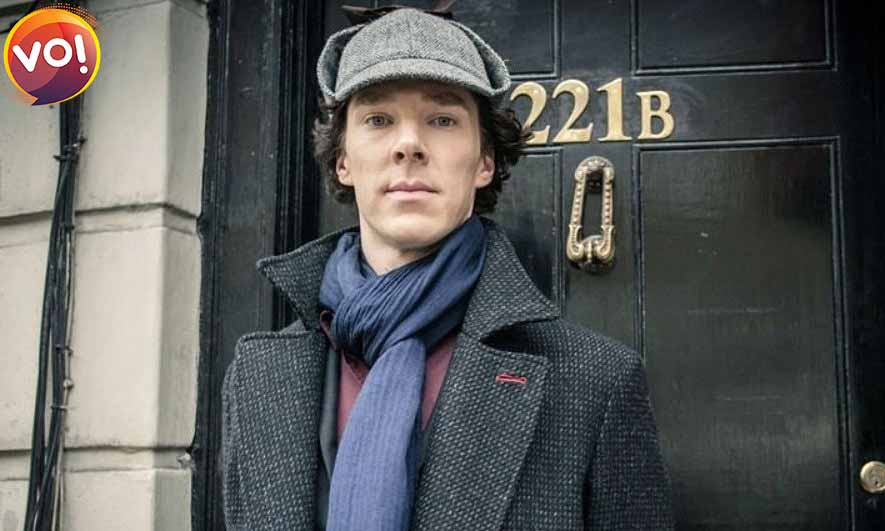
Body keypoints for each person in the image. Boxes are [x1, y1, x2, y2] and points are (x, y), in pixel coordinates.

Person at [221, 6, 674, 530]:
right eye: (378, 119)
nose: (408, 145)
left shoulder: (594, 382)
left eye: (442, 120)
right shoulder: (258, 378)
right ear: (343, 160)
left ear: (484, 161)